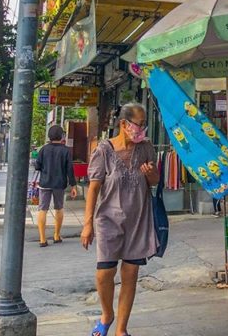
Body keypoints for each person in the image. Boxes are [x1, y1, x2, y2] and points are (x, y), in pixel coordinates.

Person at [82, 102, 159, 336]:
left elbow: (154, 181)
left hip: (138, 220)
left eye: (144, 125)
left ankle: (121, 329)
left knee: (130, 274)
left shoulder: (146, 148)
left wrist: (151, 174)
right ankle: (107, 315)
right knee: (104, 273)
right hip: (108, 220)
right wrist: (87, 224)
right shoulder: (104, 150)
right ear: (124, 124)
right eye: (139, 124)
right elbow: (94, 188)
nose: (142, 129)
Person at [34, 125, 78, 247]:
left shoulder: (43, 149)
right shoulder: (65, 151)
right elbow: (69, 169)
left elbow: (37, 166)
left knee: (43, 209)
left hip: (45, 183)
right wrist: (73, 185)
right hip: (59, 184)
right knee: (59, 208)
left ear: (49, 136)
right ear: (62, 136)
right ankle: (56, 235)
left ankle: (42, 239)